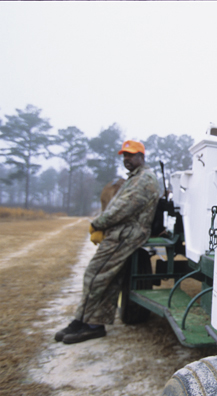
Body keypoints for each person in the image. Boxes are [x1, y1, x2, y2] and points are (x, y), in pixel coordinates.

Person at [55, 140, 160, 344]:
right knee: (107, 279)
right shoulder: (135, 178)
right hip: (122, 232)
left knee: (95, 274)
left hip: (127, 233)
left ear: (142, 156)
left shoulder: (145, 179)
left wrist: (97, 224)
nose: (127, 158)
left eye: (131, 154)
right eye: (124, 155)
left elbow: (123, 208)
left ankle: (87, 323)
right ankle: (88, 323)